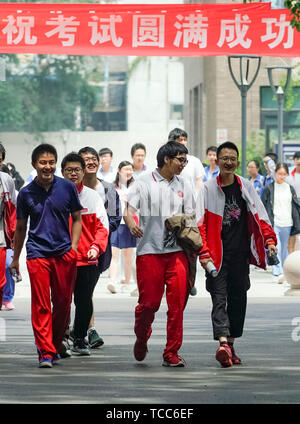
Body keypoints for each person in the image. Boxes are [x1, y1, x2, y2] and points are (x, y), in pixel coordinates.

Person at [197, 141, 277, 368]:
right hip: (216, 257)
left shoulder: (246, 187)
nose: (229, 162)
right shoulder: (208, 188)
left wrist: (270, 240)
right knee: (218, 298)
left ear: (238, 162)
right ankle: (222, 343)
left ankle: (230, 344)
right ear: (217, 161)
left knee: (238, 299)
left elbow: (261, 215)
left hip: (240, 256)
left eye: (233, 158)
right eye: (225, 158)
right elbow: (199, 224)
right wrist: (204, 253)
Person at [10, 144, 82, 368]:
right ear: (34, 165)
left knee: (62, 303)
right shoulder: (25, 193)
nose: (47, 167)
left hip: (64, 254)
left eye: (51, 162)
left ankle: (54, 343)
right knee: (41, 305)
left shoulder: (67, 188)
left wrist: (74, 247)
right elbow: (20, 228)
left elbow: (77, 218)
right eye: (43, 162)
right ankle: (45, 352)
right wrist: (15, 258)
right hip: (37, 254)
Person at [124, 141, 196, 367]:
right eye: (180, 160)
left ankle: (171, 353)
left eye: (186, 160)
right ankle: (142, 335)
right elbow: (128, 210)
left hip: (177, 253)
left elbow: (192, 215)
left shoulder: (184, 183)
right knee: (149, 304)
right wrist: (131, 224)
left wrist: (182, 223)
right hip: (150, 252)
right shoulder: (144, 182)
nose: (184, 164)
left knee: (177, 306)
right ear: (166, 159)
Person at [61, 152, 109, 356]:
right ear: (62, 172)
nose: (73, 174)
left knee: (83, 300)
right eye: (69, 170)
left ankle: (79, 338)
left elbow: (103, 226)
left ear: (83, 172)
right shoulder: (55, 195)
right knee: (62, 300)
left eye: (77, 170)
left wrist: (96, 247)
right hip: (62, 259)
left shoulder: (92, 196)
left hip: (87, 259)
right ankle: (60, 338)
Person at [77, 146, 121, 348]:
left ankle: (83, 328)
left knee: (86, 291)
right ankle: (87, 329)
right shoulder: (69, 189)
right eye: (86, 159)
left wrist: (96, 236)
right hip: (72, 251)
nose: (91, 162)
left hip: (98, 248)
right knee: (83, 293)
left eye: (94, 158)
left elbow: (113, 218)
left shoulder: (109, 189)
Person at [261, 162, 300, 282]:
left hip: (287, 222)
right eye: (279, 174)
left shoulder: (290, 188)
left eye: (284, 174)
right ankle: (277, 270)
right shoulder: (269, 188)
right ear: (275, 173)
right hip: (275, 222)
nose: (281, 176)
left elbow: (294, 205)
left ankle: (283, 270)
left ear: (287, 174)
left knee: (284, 248)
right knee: (276, 246)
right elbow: (263, 204)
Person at [108, 161, 136, 294]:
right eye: (126, 169)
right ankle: (112, 282)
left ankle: (127, 282)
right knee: (114, 254)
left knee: (128, 256)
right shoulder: (113, 187)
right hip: (117, 224)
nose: (129, 172)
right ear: (119, 171)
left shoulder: (135, 187)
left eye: (131, 169)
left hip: (130, 223)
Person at [0, 144, 17, 311]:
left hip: (2, 236)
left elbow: (12, 212)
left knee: (5, 270)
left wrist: (13, 238)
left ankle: (7, 297)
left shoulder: (6, 180)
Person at [168, 128, 205, 194]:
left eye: (185, 140)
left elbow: (199, 182)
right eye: (180, 140)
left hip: (190, 201)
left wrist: (195, 199)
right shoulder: (167, 161)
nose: (183, 142)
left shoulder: (195, 161)